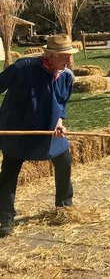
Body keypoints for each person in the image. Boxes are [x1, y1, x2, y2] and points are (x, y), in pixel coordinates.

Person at [0, 34, 77, 237]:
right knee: (9, 173)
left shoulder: (67, 75)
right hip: (18, 129)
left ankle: (63, 206)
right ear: (50, 55)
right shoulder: (22, 68)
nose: (69, 61)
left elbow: (62, 104)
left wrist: (59, 122)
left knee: (64, 160)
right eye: (65, 57)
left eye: (70, 56)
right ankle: (5, 218)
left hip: (48, 130)